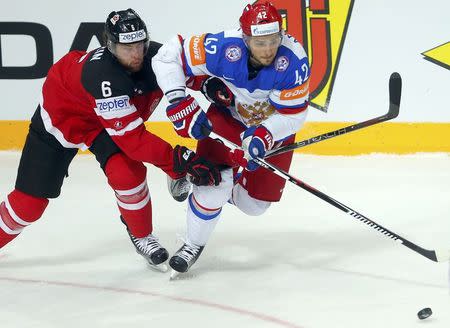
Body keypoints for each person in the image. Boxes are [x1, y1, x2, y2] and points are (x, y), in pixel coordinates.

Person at [0, 8, 221, 270]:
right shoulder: (102, 76)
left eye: (140, 44)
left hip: (103, 124)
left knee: (127, 173)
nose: (136, 54)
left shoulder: (158, 56)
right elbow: (134, 140)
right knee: (29, 205)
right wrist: (180, 162)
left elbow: (186, 72)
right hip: (61, 121)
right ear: (111, 46)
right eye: (127, 48)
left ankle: (141, 235)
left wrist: (209, 86)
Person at [152, 2, 310, 277]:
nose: (269, 48)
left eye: (273, 40)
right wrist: (177, 100)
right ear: (246, 38)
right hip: (229, 119)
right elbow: (167, 55)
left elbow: (294, 114)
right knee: (213, 184)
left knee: (255, 206)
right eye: (260, 42)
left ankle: (210, 182)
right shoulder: (224, 47)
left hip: (272, 130)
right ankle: (192, 244)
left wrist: (265, 134)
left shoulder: (293, 60)